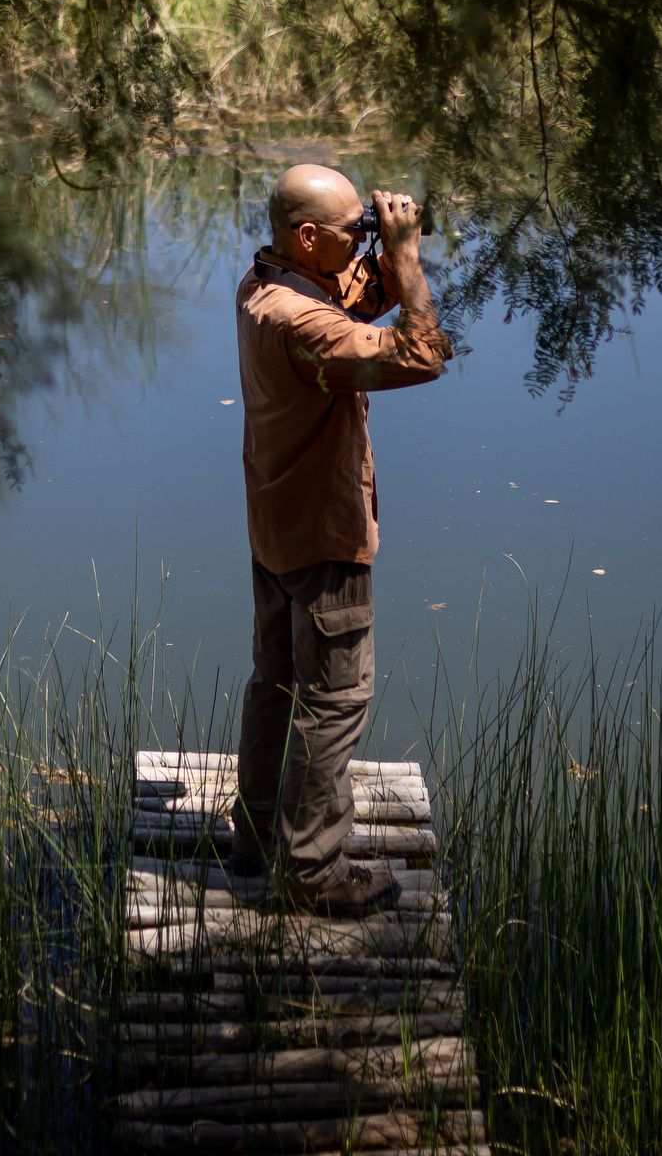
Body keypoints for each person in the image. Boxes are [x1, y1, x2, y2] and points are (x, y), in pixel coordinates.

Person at [229, 163, 449, 914]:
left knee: (276, 686)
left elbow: (353, 296)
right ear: (308, 236)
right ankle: (316, 873)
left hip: (275, 528)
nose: (364, 241)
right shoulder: (304, 324)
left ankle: (255, 840)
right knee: (334, 701)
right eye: (352, 231)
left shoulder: (266, 285)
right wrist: (409, 264)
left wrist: (392, 250)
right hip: (324, 538)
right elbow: (421, 356)